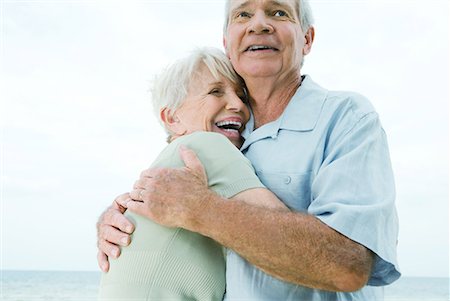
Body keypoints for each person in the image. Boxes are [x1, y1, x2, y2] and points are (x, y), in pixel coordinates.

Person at [97, 0, 401, 300]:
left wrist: (202, 209)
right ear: (228, 44)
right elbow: (167, 202)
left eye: (278, 12)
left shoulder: (347, 118)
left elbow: (347, 266)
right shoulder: (220, 132)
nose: (258, 24)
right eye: (243, 14)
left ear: (306, 38)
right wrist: (119, 221)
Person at [97, 47, 288, 300]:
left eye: (241, 95)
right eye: (215, 91)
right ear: (173, 118)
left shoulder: (170, 165)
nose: (238, 105)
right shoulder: (208, 145)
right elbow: (288, 242)